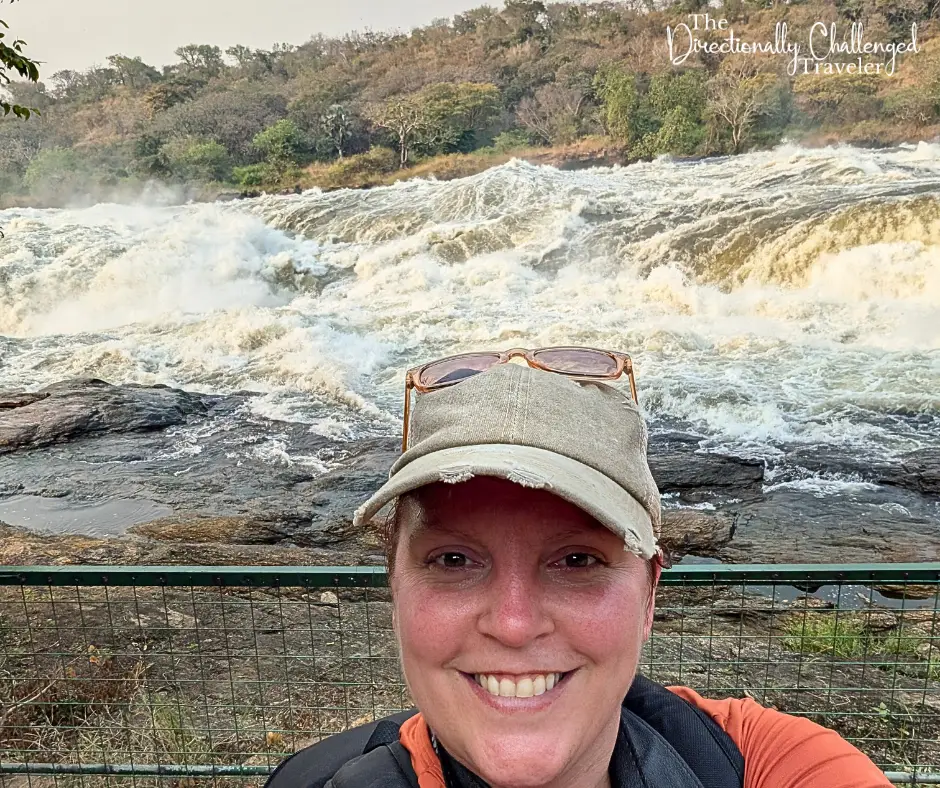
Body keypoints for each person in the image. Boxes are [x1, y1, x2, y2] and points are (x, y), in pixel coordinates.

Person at [267, 347, 892, 788]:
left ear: (648, 595)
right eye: (453, 560)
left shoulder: (771, 767)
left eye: (576, 560)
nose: (514, 624)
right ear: (395, 588)